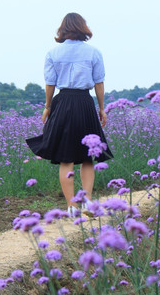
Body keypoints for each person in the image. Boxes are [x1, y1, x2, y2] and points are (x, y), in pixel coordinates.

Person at [26, 12, 113, 217]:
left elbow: (50, 84)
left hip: (63, 102)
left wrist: (47, 107)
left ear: (63, 29)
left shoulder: (53, 53)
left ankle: (72, 207)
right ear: (83, 28)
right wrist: (101, 108)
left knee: (66, 159)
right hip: (84, 102)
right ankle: (88, 203)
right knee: (87, 157)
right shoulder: (94, 52)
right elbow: (99, 83)